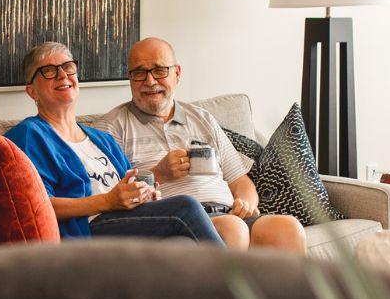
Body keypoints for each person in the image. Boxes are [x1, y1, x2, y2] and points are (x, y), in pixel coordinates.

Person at [94, 37, 308, 253]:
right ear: (130, 78)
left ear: (177, 73)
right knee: (232, 228)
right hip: (177, 224)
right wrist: (159, 173)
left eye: (159, 70)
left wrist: (246, 202)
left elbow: (240, 180)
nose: (150, 81)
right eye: (139, 72)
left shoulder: (202, 118)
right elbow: (110, 200)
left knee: (287, 228)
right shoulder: (111, 128)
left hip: (229, 213)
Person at [4, 41, 224, 244]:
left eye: (68, 67)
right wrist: (107, 202)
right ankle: (234, 285)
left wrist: (145, 194)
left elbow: (128, 186)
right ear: (32, 91)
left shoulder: (102, 139)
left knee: (184, 242)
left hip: (125, 220)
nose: (63, 75)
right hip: (89, 227)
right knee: (185, 207)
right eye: (49, 71)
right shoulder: (29, 135)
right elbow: (36, 204)